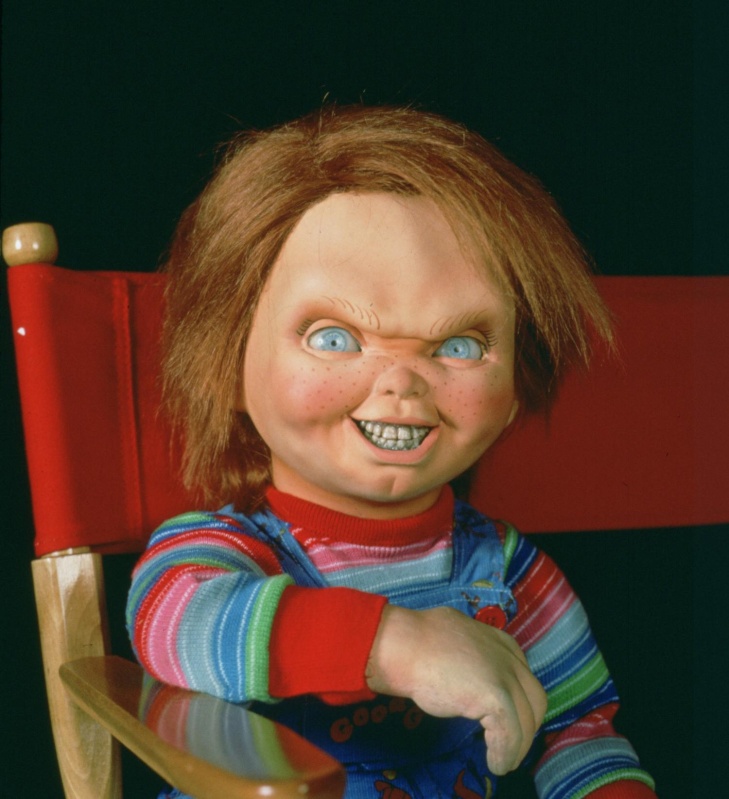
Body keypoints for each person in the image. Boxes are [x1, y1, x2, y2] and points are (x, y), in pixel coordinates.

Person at [126, 106, 657, 798]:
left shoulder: (507, 571)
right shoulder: (223, 555)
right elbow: (174, 624)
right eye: (333, 337)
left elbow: (578, 727)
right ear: (224, 366)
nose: (402, 382)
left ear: (514, 392)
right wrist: (390, 644)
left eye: (459, 345)